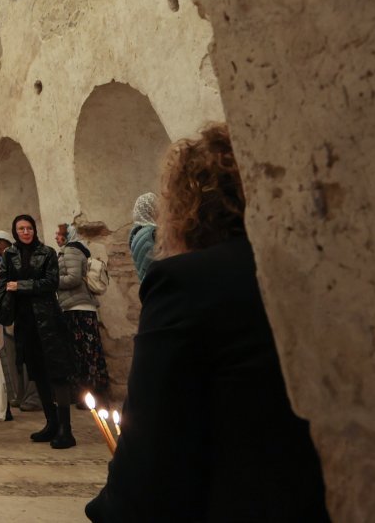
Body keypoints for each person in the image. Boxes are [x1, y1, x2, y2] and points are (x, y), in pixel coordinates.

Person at [86, 125, 328, 522]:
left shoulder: (185, 281)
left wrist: (111, 508)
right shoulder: (309, 268)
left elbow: (153, 439)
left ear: (185, 205)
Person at [0, 214, 77, 450]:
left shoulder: (46, 253)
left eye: (29, 228)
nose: (25, 232)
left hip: (48, 320)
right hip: (25, 321)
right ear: (15, 232)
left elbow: (51, 282)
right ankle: (51, 423)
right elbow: (0, 284)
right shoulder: (10, 254)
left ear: (34, 230)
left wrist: (21, 286)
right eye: (21, 229)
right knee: (37, 372)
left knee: (57, 372)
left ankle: (66, 429)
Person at [57, 231, 111, 400]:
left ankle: (89, 393)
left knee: (83, 352)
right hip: (80, 306)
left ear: (66, 236)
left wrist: (51, 280)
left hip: (77, 308)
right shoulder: (78, 250)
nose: (55, 237)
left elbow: (73, 278)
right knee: (89, 351)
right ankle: (94, 392)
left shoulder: (71, 250)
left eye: (59, 234)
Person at [0, 229, 31, 415]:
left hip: (22, 313)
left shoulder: (21, 260)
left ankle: (31, 396)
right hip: (8, 315)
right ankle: (18, 393)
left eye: (4, 248)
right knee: (13, 358)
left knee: (27, 359)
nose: (2, 251)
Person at [129, 192, 159, 282]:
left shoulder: (136, 231)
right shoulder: (153, 232)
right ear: (151, 210)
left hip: (146, 280)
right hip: (155, 279)